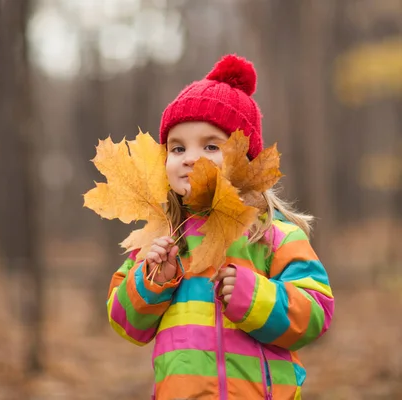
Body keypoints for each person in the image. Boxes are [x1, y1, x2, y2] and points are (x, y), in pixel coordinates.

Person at [106, 54, 334, 400]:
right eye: (177, 147)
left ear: (246, 159)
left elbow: (315, 314)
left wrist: (253, 296)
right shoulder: (162, 241)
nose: (189, 157)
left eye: (210, 145)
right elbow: (126, 322)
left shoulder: (274, 235)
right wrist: (153, 280)